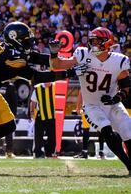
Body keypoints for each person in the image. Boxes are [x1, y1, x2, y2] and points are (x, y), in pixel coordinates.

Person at [0, 21, 81, 165]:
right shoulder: (13, 59)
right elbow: (38, 77)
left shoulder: (12, 50)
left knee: (9, 126)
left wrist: (54, 54)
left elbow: (45, 60)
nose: (30, 43)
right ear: (15, 39)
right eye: (26, 40)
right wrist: (68, 73)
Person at [49, 27, 131, 175]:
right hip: (92, 105)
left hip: (112, 104)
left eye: (97, 41)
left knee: (128, 133)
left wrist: (116, 98)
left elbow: (126, 87)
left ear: (107, 42)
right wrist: (54, 53)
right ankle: (129, 165)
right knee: (107, 131)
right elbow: (57, 65)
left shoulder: (118, 61)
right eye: (92, 40)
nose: (93, 44)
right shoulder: (82, 54)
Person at [29, 82, 57, 158]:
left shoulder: (55, 87)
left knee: (52, 136)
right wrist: (31, 112)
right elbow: (33, 102)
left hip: (52, 115)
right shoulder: (37, 88)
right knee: (38, 135)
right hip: (40, 115)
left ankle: (50, 153)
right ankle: (38, 153)